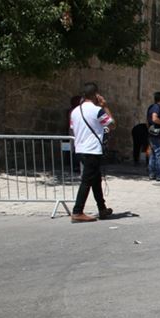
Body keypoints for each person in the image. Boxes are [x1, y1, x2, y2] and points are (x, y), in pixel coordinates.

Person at [68, 82, 115, 223]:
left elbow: (72, 128)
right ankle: (77, 211)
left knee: (95, 179)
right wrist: (105, 106)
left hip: (80, 148)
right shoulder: (97, 110)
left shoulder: (75, 111)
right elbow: (112, 124)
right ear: (96, 95)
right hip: (92, 150)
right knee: (87, 181)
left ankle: (102, 208)